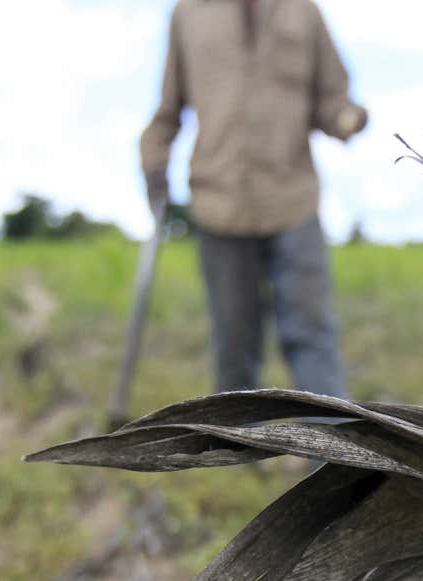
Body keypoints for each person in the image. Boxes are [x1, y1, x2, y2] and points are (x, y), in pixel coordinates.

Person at [141, 0, 367, 399]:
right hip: (218, 203)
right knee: (234, 340)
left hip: (293, 199)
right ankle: (238, 449)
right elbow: (168, 108)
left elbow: (332, 98)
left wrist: (348, 118)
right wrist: (154, 161)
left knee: (311, 332)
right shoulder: (188, 13)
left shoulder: (303, 11)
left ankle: (332, 447)